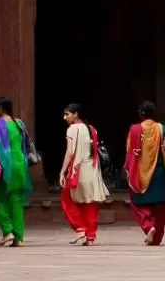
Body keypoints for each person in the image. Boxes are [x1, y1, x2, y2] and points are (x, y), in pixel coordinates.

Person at [58, 103, 109, 246]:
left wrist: (62, 171)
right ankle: (90, 236)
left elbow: (70, 152)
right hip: (92, 171)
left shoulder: (72, 129)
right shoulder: (92, 129)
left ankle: (81, 229)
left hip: (78, 171)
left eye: (67, 114)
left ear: (76, 114)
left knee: (67, 199)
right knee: (90, 203)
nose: (65, 117)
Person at [0, 97, 34, 248]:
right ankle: (18, 237)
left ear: (0, 108)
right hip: (20, 164)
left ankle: (8, 229)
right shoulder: (19, 123)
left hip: (6, 165)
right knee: (16, 201)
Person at [126, 101, 165, 246]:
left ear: (141, 114)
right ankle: (157, 238)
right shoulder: (162, 128)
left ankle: (148, 227)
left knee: (138, 204)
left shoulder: (134, 129)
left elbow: (129, 150)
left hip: (140, 173)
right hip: (159, 172)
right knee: (159, 206)